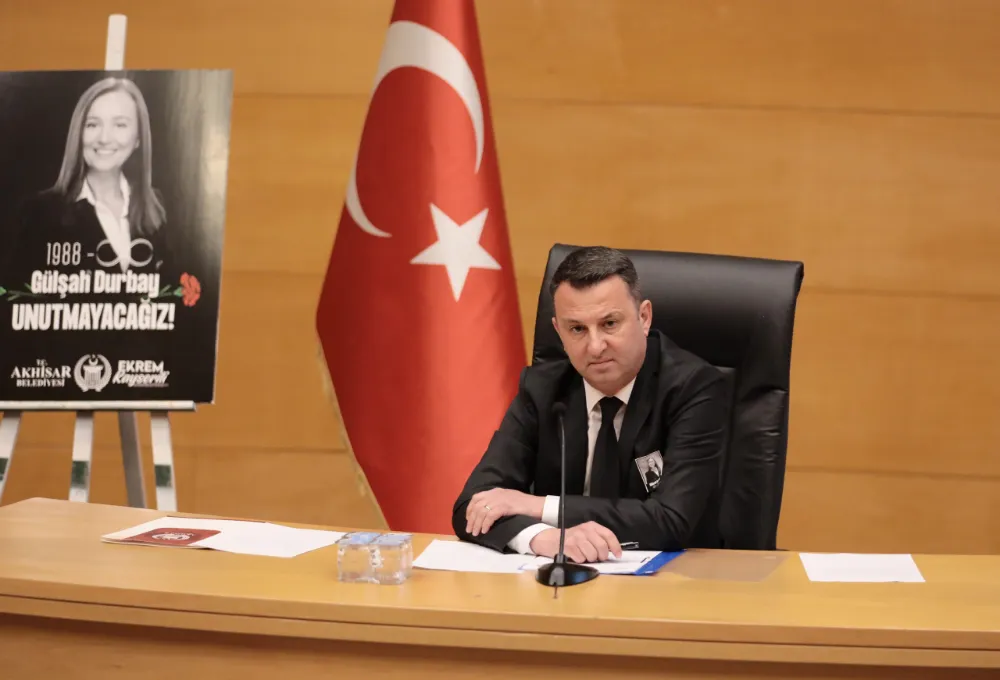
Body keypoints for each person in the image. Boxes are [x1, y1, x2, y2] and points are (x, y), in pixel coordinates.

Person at [452, 246, 728, 563]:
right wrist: (541, 537)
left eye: (609, 323)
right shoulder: (543, 390)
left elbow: (671, 520)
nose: (595, 347)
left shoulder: (694, 388)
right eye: (577, 329)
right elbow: (472, 505)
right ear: (559, 331)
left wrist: (540, 507)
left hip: (675, 579)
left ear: (644, 317)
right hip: (564, 577)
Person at [3, 76, 170, 292]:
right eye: (92, 125)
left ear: (138, 138)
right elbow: (15, 298)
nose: (104, 138)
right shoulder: (39, 214)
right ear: (79, 133)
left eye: (120, 124)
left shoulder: (157, 206)